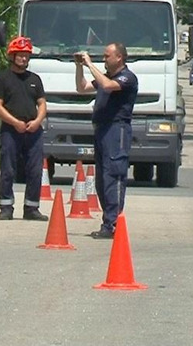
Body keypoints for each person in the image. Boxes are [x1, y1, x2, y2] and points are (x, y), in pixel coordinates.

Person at [75, 43, 138, 239]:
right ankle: (108, 222)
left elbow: (109, 86)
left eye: (107, 56)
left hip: (116, 130)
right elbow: (82, 88)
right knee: (102, 180)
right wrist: (79, 66)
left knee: (114, 175)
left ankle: (114, 223)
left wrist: (89, 63)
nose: (104, 59)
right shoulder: (105, 77)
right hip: (101, 131)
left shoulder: (126, 77)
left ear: (119, 57)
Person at [0, 36, 48, 221]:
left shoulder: (35, 79)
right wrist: (15, 122)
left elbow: (42, 103)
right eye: (20, 55)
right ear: (12, 56)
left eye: (27, 55)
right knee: (8, 169)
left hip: (33, 131)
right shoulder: (3, 79)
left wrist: (37, 121)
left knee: (35, 170)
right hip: (11, 131)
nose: (24, 59)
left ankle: (31, 207)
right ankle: (6, 207)